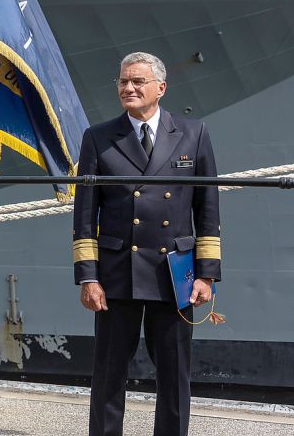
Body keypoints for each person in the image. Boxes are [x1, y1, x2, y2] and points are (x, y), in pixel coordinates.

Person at [72, 51, 222, 436]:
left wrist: (206, 275)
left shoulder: (193, 133)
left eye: (138, 81)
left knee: (174, 376)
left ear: (161, 87)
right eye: (123, 81)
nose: (129, 88)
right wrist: (88, 277)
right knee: (108, 374)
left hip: (173, 274)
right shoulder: (99, 137)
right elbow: (85, 216)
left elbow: (207, 211)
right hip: (117, 273)